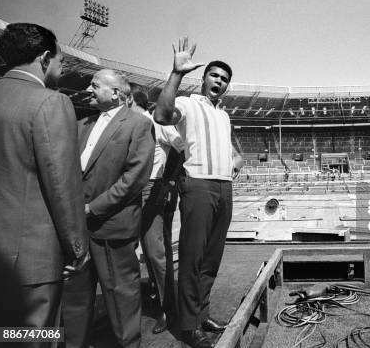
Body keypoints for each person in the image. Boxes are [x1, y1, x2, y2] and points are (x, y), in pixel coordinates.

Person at [0, 23, 88, 340]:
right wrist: (77, 248)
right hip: (31, 262)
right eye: (62, 61)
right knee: (29, 339)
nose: (62, 69)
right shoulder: (51, 103)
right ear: (45, 58)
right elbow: (63, 186)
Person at [154, 38, 243, 348]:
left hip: (224, 187)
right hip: (199, 185)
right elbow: (162, 116)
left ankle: (201, 314)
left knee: (211, 257)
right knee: (192, 257)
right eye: (214, 75)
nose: (219, 81)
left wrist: (237, 157)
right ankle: (188, 326)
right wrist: (176, 73)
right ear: (204, 78)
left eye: (224, 79)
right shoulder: (189, 103)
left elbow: (230, 147)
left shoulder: (224, 115)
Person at [61, 69, 155, 348]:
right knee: (75, 298)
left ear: (116, 93)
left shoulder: (137, 124)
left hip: (112, 227)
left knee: (121, 298)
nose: (88, 89)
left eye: (95, 85)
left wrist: (92, 208)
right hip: (77, 229)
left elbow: (134, 178)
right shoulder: (81, 124)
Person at [127, 85, 185, 334]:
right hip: (133, 190)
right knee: (146, 250)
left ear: (129, 99)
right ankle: (156, 294)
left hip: (154, 187)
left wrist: (169, 180)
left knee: (155, 252)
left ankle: (168, 309)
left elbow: (182, 146)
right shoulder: (127, 124)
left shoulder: (154, 122)